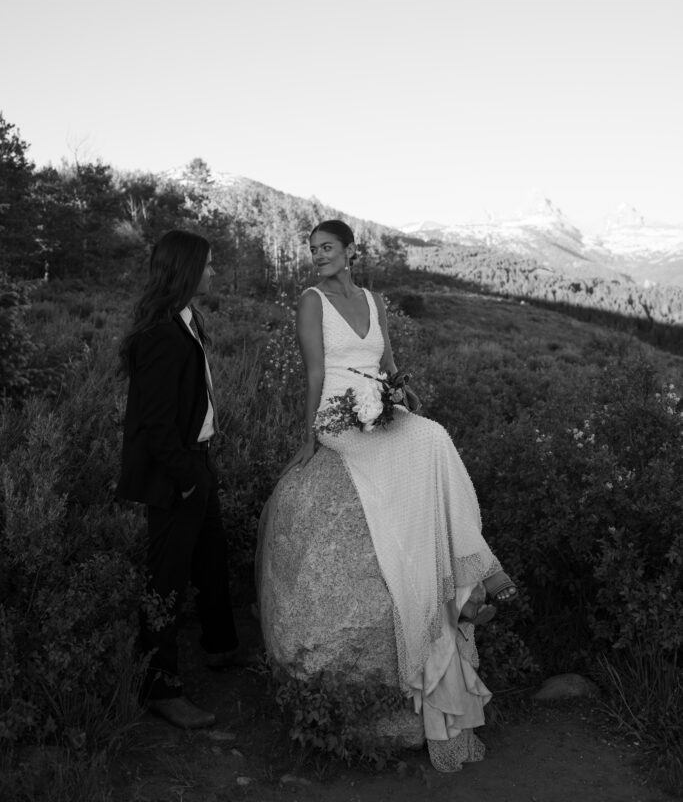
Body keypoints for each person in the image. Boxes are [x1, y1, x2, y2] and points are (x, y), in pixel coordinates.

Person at [280, 219, 517, 772]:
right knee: (415, 453)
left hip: (380, 406)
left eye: (328, 248)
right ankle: (468, 583)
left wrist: (398, 390)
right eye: (314, 250)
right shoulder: (310, 302)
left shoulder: (373, 298)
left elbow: (387, 365)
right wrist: (307, 438)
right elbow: (315, 372)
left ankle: (471, 574)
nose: (319, 257)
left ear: (350, 251)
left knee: (434, 436)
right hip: (339, 415)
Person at [117, 230, 238, 730]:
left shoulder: (185, 321)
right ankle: (159, 688)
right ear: (187, 270)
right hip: (177, 473)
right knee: (164, 578)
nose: (213, 272)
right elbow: (156, 424)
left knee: (212, 558)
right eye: (207, 265)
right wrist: (187, 479)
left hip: (197, 462)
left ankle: (222, 647)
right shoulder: (160, 335)